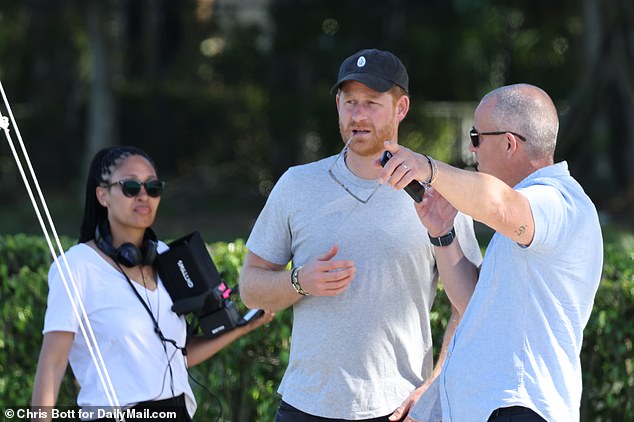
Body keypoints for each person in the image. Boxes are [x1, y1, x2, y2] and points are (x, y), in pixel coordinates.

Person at [238, 48, 482, 421]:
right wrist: (299, 282)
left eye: (371, 102)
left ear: (401, 108)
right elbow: (250, 288)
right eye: (350, 102)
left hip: (400, 410)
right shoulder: (297, 185)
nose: (358, 115)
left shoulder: (439, 194)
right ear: (337, 104)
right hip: (305, 406)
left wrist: (435, 383)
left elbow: (469, 305)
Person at [379, 83, 603, 421]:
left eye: (476, 137)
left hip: (521, 410)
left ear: (509, 143)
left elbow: (498, 204)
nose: (472, 150)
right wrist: (443, 233)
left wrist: (429, 168)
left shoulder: (558, 201)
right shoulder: (526, 214)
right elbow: (473, 301)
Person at [31, 146, 273, 421]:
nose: (143, 195)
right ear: (103, 195)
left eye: (153, 187)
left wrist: (242, 328)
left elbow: (174, 354)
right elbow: (52, 365)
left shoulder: (168, 259)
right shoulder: (76, 266)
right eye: (131, 186)